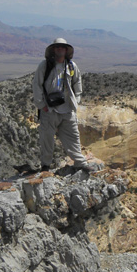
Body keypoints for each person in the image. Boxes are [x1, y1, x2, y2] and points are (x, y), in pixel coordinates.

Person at [32, 38, 92, 172]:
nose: (60, 49)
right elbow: (37, 85)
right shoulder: (45, 65)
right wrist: (41, 105)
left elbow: (77, 83)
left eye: (62, 47)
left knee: (73, 136)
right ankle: (46, 165)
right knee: (47, 139)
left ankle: (80, 162)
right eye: (57, 47)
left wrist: (76, 101)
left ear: (66, 50)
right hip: (49, 109)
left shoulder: (71, 66)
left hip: (67, 109)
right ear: (53, 49)